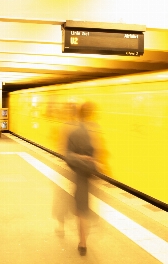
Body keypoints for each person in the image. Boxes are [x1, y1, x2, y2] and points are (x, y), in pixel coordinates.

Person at [65, 101, 99, 256]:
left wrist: (81, 158)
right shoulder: (95, 131)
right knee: (84, 210)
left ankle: (83, 242)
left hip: (81, 174)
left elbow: (69, 156)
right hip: (93, 174)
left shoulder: (75, 132)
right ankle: (84, 240)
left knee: (82, 211)